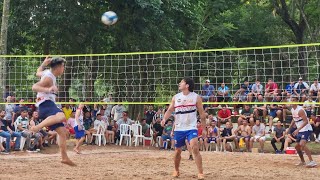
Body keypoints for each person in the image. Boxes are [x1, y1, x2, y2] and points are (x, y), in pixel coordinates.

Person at [30, 56, 75, 166]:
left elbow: (38, 72)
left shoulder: (47, 73)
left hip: (47, 104)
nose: (64, 69)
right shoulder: (49, 78)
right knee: (62, 116)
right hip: (45, 103)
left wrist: (43, 63)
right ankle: (37, 127)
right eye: (63, 66)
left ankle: (64, 157)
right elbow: (34, 87)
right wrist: (48, 89)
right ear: (58, 67)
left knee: (62, 132)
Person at [161, 77, 206, 180]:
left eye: (181, 82)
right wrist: (164, 119)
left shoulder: (196, 97)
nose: (179, 83)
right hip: (179, 128)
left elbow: (202, 114)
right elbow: (169, 110)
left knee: (194, 147)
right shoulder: (176, 97)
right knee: (177, 151)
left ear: (187, 85)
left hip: (191, 127)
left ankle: (200, 173)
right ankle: (176, 170)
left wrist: (204, 129)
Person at [288, 95, 317, 168]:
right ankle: (303, 161)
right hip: (300, 129)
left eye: (294, 100)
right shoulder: (292, 109)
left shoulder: (300, 110)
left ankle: (312, 161)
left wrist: (297, 129)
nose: (292, 101)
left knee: (302, 144)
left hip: (306, 129)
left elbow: (306, 121)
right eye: (291, 100)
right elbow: (294, 119)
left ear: (297, 101)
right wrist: (289, 128)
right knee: (297, 147)